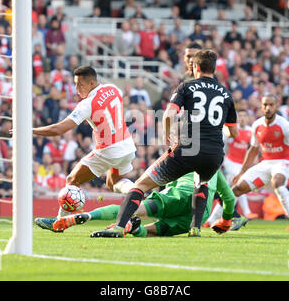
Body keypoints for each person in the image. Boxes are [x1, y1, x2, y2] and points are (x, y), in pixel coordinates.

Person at [91, 49, 238, 238]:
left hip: (189, 147)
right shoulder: (226, 95)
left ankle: (119, 226)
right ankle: (195, 228)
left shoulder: (187, 87)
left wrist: (168, 136)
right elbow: (233, 132)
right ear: (214, 68)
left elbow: (169, 114)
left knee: (141, 185)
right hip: (214, 154)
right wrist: (216, 129)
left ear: (196, 67)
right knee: (201, 183)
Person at [31, 66, 137, 218]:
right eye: (75, 84)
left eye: (80, 85)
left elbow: (58, 129)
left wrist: (31, 130)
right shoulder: (113, 88)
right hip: (127, 146)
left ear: (92, 83)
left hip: (108, 150)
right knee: (112, 184)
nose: (76, 89)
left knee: (72, 179)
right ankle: (137, 192)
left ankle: (60, 221)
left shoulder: (87, 104)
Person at [36, 170, 236, 237]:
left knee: (133, 208)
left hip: (179, 195)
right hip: (197, 217)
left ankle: (84, 216)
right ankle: (131, 228)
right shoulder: (215, 170)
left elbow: (162, 182)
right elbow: (230, 198)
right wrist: (226, 221)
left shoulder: (181, 160)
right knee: (150, 232)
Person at [230, 94, 289, 230]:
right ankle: (223, 220)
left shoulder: (284, 125)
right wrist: (241, 172)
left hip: (283, 162)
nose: (268, 108)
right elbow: (252, 150)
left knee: (278, 183)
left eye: (271, 105)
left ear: (276, 106)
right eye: (265, 105)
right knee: (236, 189)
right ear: (261, 106)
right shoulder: (257, 125)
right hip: (265, 164)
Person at [203, 109, 257, 229]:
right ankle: (247, 211)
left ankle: (211, 219)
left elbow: (252, 149)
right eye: (240, 116)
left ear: (248, 118)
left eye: (244, 116)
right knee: (236, 186)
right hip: (230, 161)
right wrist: (221, 162)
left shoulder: (250, 131)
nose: (242, 118)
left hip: (241, 164)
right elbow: (223, 146)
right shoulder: (231, 130)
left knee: (228, 193)